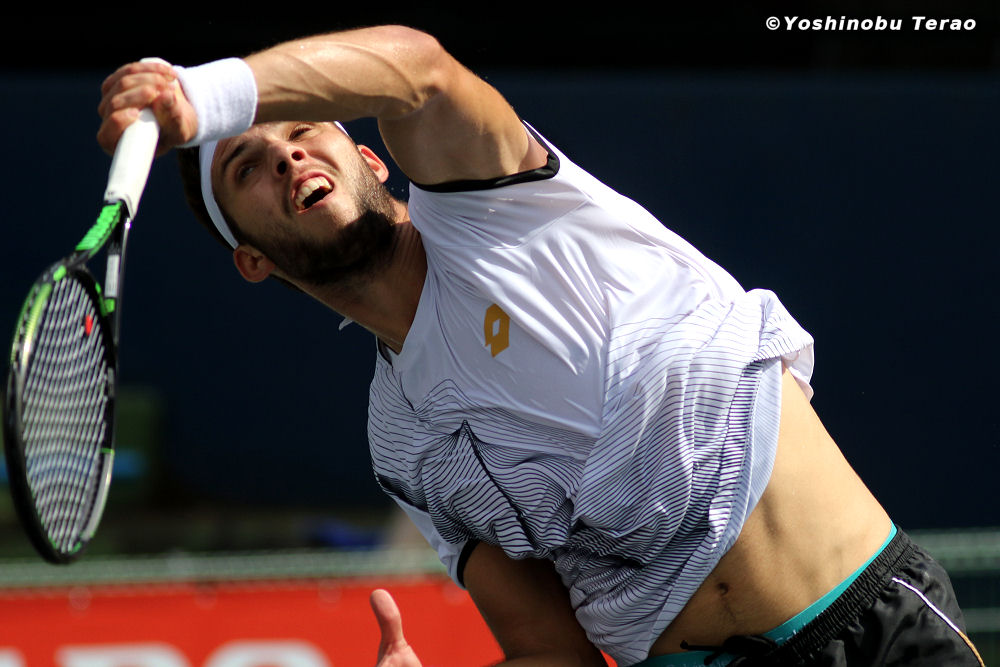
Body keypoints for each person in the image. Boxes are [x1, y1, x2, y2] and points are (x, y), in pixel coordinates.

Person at [97, 26, 982, 667]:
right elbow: (549, 649)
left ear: (372, 159)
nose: (287, 158)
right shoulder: (401, 443)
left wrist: (210, 97)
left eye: (303, 130)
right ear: (251, 258)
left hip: (868, 626)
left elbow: (419, 68)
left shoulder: (488, 202)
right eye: (246, 167)